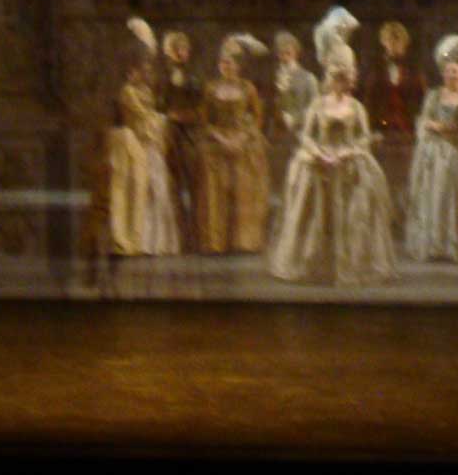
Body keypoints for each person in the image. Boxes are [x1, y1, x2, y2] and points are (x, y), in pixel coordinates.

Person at [266, 16, 396, 287]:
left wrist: (347, 153)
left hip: (349, 159)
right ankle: (316, 265)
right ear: (329, 78)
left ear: (350, 79)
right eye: (336, 77)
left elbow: (363, 137)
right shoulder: (318, 104)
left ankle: (351, 264)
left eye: (344, 78)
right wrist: (318, 153)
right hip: (320, 158)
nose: (340, 82)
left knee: (358, 202)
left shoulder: (357, 107)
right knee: (309, 192)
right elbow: (306, 135)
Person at [400, 35, 458, 262]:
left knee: (455, 197)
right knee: (436, 196)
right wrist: (435, 126)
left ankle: (454, 246)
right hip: (436, 152)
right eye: (448, 71)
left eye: (455, 71)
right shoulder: (434, 95)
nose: (451, 75)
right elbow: (423, 121)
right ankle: (435, 245)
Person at [105, 19, 179, 257]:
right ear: (131, 70)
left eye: (147, 68)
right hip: (136, 140)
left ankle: (155, 241)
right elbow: (141, 115)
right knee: (140, 188)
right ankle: (137, 239)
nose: (146, 72)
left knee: (157, 188)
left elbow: (151, 112)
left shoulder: (145, 89)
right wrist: (161, 120)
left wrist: (159, 121)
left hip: (149, 141)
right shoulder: (127, 91)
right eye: (141, 68)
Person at [198, 35, 271, 253]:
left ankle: (244, 240)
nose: (226, 67)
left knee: (244, 185)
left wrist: (242, 137)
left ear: (238, 66)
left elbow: (257, 118)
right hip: (217, 139)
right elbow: (205, 120)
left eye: (230, 63)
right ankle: (216, 240)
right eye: (223, 63)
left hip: (243, 139)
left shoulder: (248, 88)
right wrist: (221, 138)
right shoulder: (211, 88)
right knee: (215, 182)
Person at [362, 21, 426, 190]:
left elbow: (421, 101)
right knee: (383, 179)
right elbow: (370, 103)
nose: (394, 45)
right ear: (384, 43)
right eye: (390, 41)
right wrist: (373, 130)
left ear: (405, 44)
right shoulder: (376, 70)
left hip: (407, 132)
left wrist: (418, 128)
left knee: (406, 179)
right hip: (383, 132)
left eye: (398, 41)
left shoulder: (414, 71)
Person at [158, 31, 206, 245]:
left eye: (184, 49)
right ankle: (179, 235)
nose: (181, 53)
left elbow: (202, 108)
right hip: (169, 134)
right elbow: (160, 104)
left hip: (191, 134)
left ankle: (196, 234)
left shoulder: (194, 77)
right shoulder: (164, 77)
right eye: (177, 49)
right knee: (173, 185)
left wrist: (185, 116)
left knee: (195, 184)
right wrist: (168, 116)